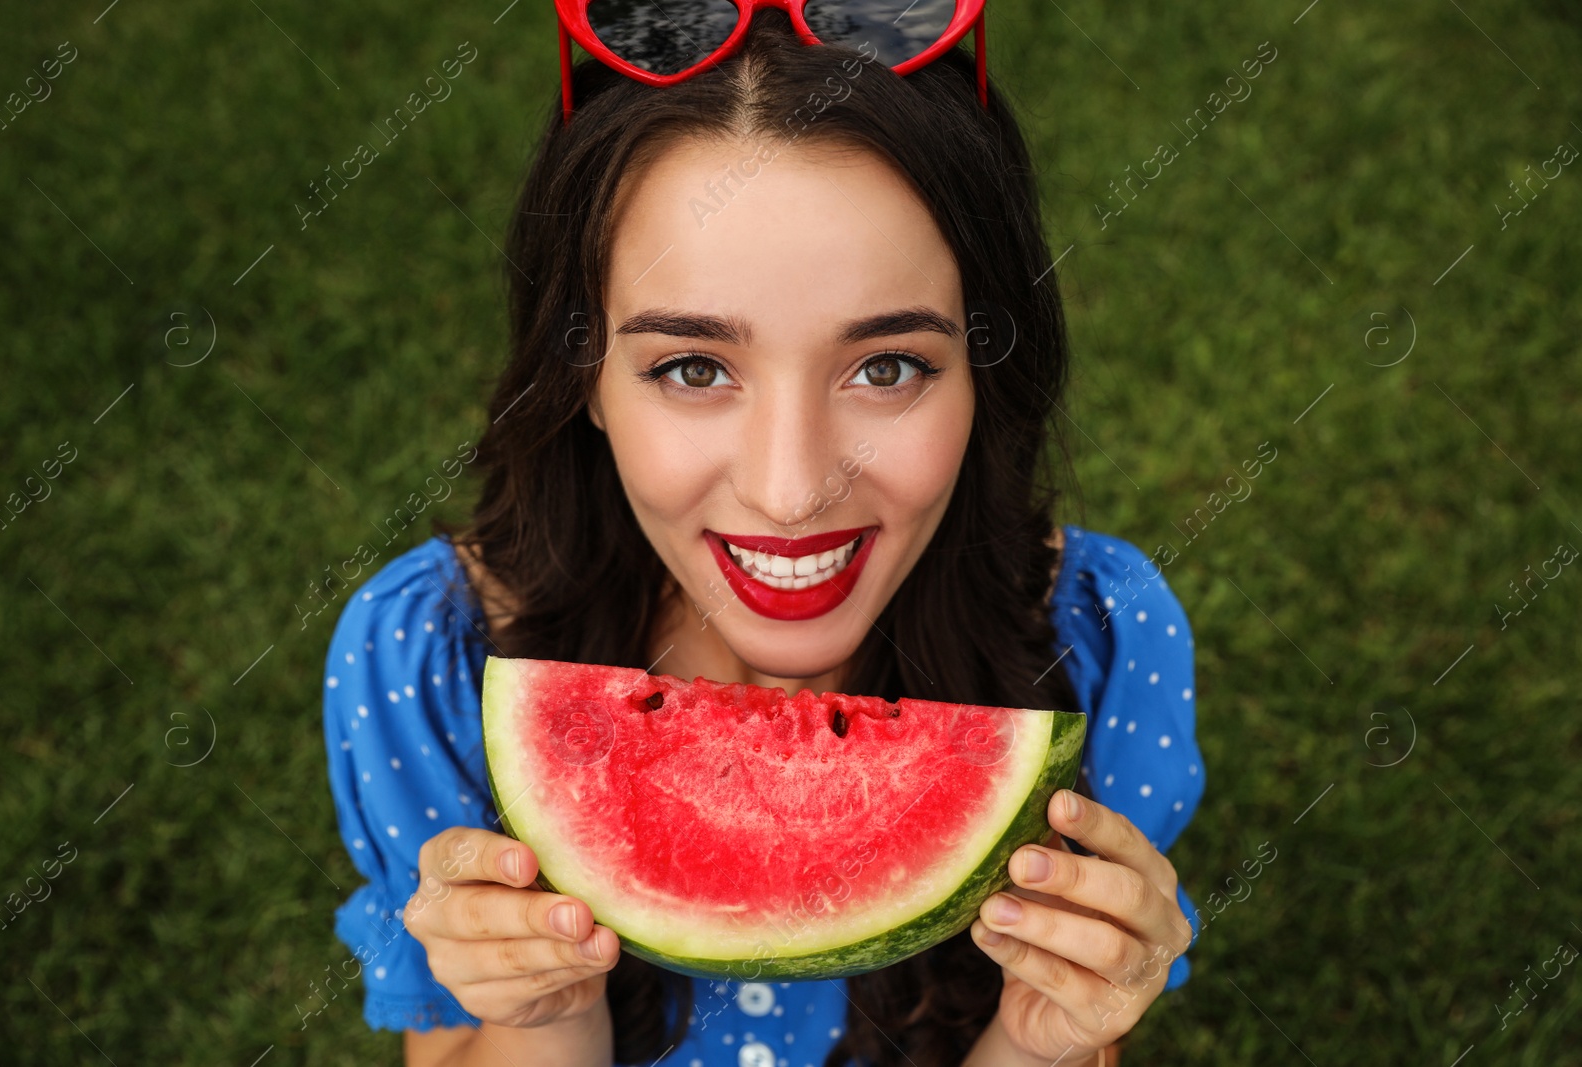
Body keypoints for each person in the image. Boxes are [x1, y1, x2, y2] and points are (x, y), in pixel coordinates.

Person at [321, 3, 1206, 1064]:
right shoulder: (432, 659)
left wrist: (1040, 1040)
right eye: (692, 368)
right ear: (584, 377)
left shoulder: (1099, 640)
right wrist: (546, 1013)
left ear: (983, 374)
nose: (790, 492)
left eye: (887, 367)